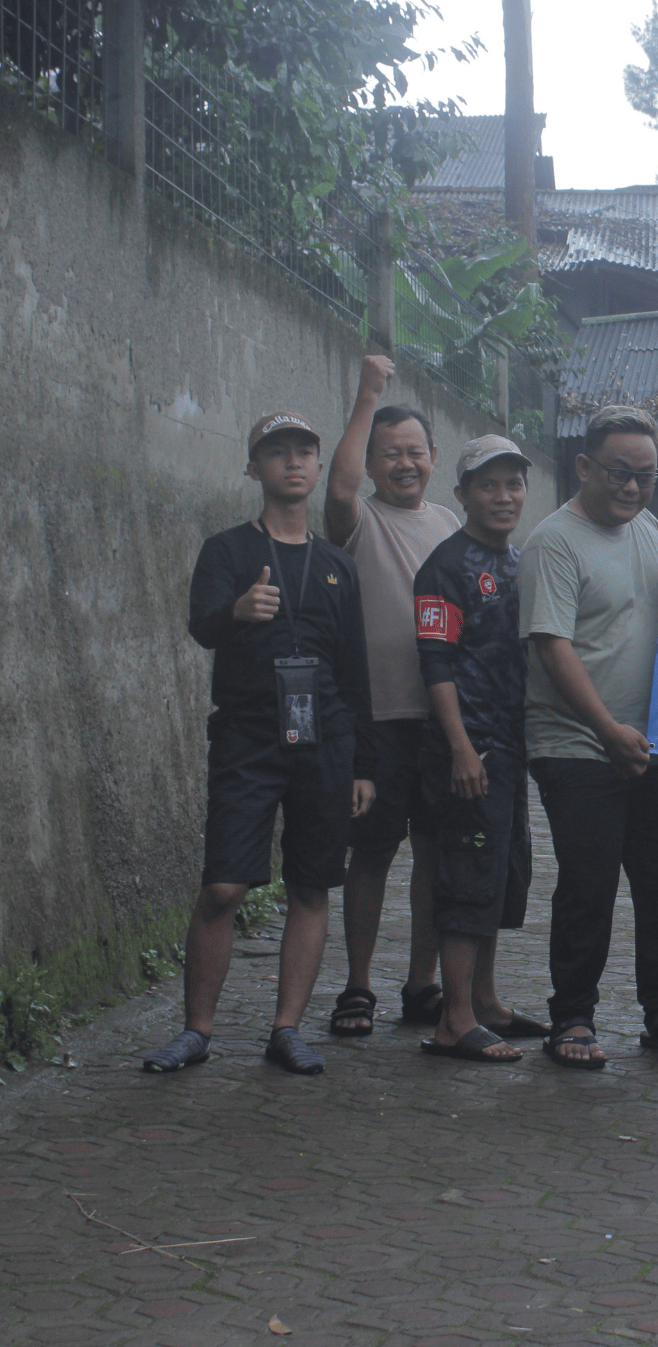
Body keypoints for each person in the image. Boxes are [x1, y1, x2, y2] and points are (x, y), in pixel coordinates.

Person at [143, 413, 376, 1076]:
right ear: (254, 468)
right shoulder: (226, 551)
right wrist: (236, 612)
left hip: (324, 742)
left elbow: (355, 671)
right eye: (277, 453)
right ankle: (197, 1030)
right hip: (246, 737)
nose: (293, 463)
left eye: (304, 451)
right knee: (222, 886)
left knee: (311, 885)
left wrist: (363, 763)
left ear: (318, 467)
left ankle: (287, 1028)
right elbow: (201, 626)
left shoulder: (337, 565)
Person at [522, 405, 658, 1070]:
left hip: (645, 743)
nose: (633, 487)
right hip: (577, 744)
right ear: (584, 466)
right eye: (619, 473)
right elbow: (552, 645)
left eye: (646, 475)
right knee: (590, 884)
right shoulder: (554, 541)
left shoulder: (648, 529)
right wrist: (606, 730)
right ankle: (572, 1016)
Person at [321, 356, 463, 1038]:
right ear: (374, 463)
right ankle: (357, 985)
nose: (405, 464)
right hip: (375, 720)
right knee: (372, 853)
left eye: (415, 452)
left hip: (440, 720)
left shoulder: (452, 525)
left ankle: (421, 983)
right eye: (390, 454)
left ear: (434, 457)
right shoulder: (358, 520)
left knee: (434, 852)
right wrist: (366, 395)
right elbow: (339, 485)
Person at [412, 436, 546, 1063]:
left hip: (509, 751)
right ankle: (454, 1020)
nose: (503, 496)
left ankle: (486, 1003)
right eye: (488, 485)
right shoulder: (444, 566)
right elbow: (434, 662)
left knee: (498, 876)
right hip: (466, 753)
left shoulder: (519, 561)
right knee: (466, 878)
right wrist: (461, 748)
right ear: (462, 494)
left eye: (513, 484)